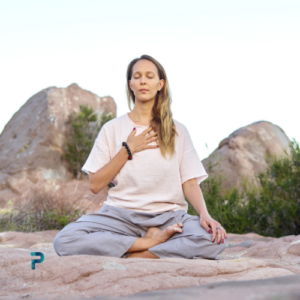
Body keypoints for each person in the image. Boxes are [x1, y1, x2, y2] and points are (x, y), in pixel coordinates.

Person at [53, 54, 227, 259]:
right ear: (131, 84)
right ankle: (149, 242)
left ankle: (141, 254)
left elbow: (188, 182)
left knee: (214, 241)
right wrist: (128, 150)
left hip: (169, 217)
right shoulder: (112, 129)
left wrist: (205, 215)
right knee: (65, 240)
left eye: (149, 76)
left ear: (160, 84)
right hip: (119, 216)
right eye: (137, 76)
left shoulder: (177, 130)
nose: (143, 80)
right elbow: (95, 184)